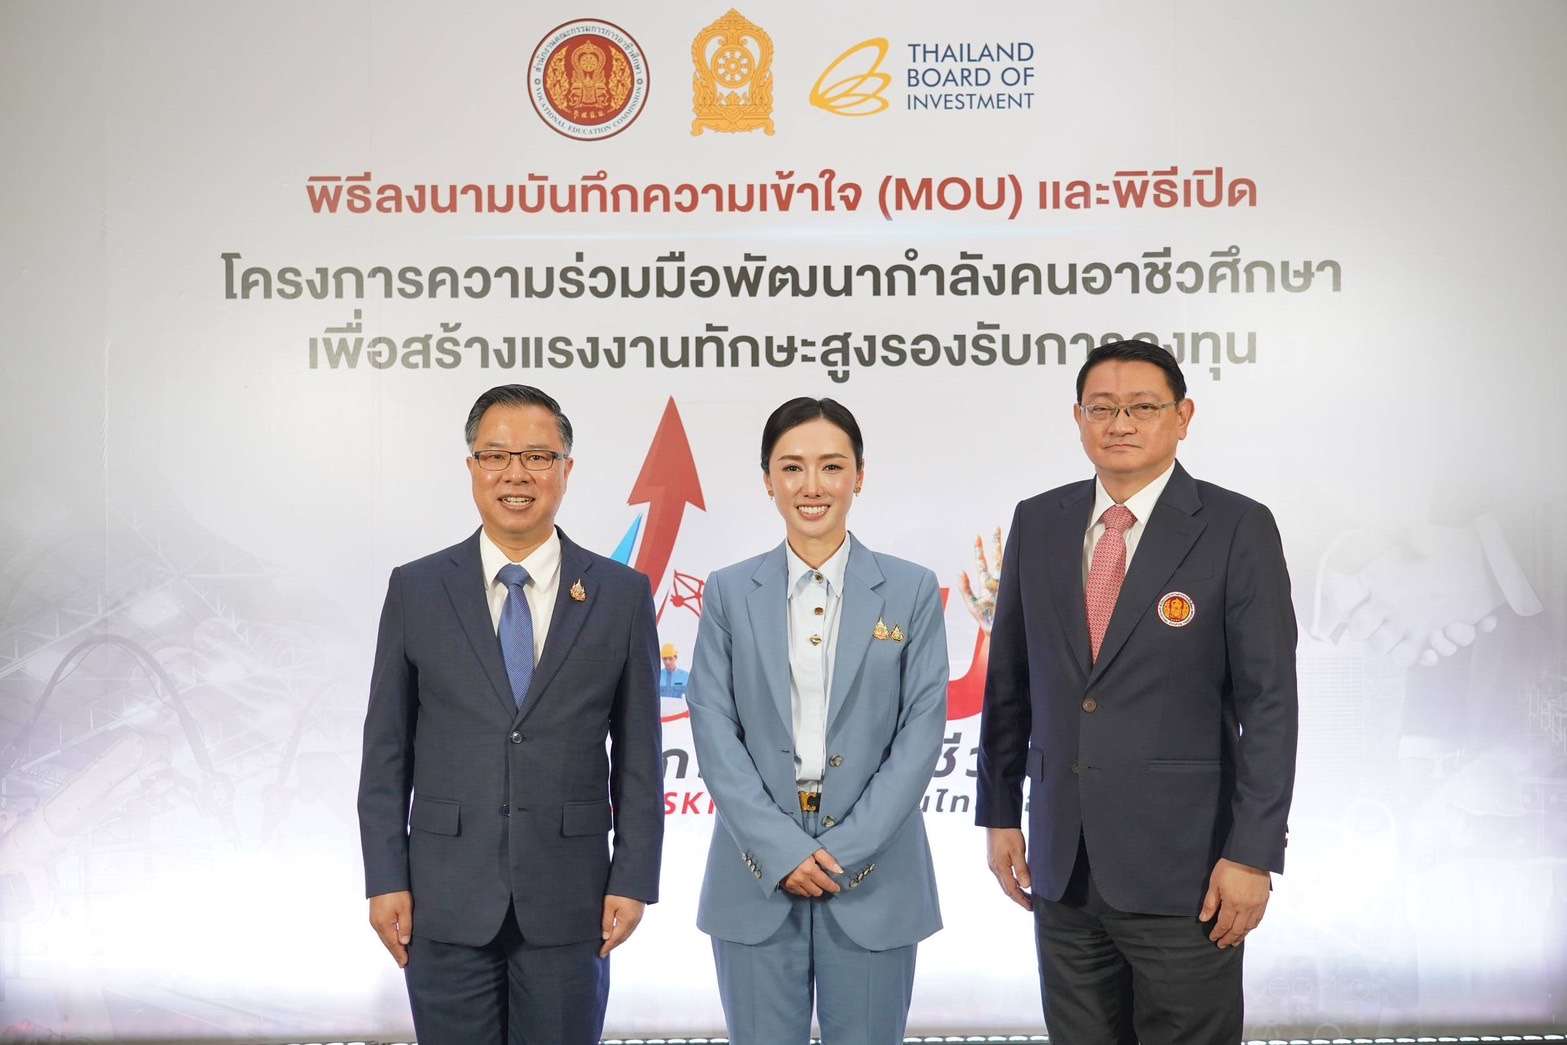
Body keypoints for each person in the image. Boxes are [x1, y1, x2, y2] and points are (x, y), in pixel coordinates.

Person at [976, 341, 1298, 1044]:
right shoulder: (1039, 520)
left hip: (1189, 873)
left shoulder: (1236, 526)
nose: (1120, 423)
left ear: (1183, 416)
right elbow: (1010, 683)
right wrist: (998, 813)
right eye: (1102, 408)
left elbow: (1270, 704)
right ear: (1078, 418)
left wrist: (1252, 853)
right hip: (1063, 868)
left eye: (1143, 407)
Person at [356, 384, 663, 1044]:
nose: (515, 474)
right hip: (442, 899)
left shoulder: (620, 594)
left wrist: (634, 878)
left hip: (572, 900)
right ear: (472, 466)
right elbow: (385, 751)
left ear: (566, 469)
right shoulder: (416, 588)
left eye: (537, 456)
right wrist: (384, 876)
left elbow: (640, 756)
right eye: (495, 455)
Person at [686, 397, 948, 1044]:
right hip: (754, 874)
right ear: (767, 479)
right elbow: (713, 727)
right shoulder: (728, 591)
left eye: (831, 466)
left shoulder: (911, 589)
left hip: (875, 876)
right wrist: (781, 850)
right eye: (791, 467)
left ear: (859, 475)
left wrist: (842, 851)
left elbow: (920, 733)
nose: (812, 486)